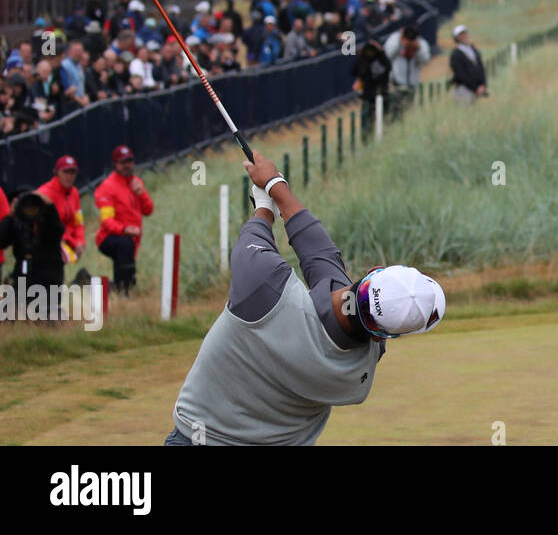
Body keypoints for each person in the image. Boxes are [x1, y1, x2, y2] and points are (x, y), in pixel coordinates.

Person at [165, 149, 445, 445]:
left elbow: (257, 239)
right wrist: (274, 186)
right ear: (382, 338)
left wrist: (265, 203)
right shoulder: (358, 378)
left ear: (375, 270)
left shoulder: (263, 289)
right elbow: (322, 258)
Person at [94, 145, 154, 295]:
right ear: (115, 164)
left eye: (129, 161)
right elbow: (106, 221)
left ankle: (119, 289)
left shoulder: (136, 183)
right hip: (109, 237)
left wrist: (141, 193)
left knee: (127, 254)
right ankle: (123, 290)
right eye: (122, 162)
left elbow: (148, 210)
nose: (127, 165)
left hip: (131, 237)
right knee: (125, 245)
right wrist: (124, 230)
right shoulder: (107, 187)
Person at [34, 155, 86, 268]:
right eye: (65, 172)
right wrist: (72, 241)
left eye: (72, 172)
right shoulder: (45, 194)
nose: (69, 176)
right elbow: (46, 228)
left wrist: (80, 241)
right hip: (50, 243)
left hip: (67, 242)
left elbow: (78, 222)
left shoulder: (74, 193)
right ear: (57, 173)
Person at [351, 38, 392, 129]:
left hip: (382, 92)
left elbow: (388, 67)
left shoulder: (381, 57)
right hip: (368, 94)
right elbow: (354, 71)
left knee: (384, 117)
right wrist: (361, 56)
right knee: (367, 120)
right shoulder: (363, 59)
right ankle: (366, 136)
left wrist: (381, 52)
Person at [448, 25, 486, 105]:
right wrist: (475, 88)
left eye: (465, 33)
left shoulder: (474, 50)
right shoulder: (455, 54)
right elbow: (461, 74)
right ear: (456, 38)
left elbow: (481, 68)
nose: (464, 36)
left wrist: (483, 84)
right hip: (463, 89)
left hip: (478, 89)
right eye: (461, 35)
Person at [384, 25, 430, 90]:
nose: (409, 37)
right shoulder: (394, 39)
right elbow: (388, 56)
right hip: (396, 82)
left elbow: (426, 60)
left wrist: (418, 48)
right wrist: (400, 42)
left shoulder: (420, 42)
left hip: (413, 82)